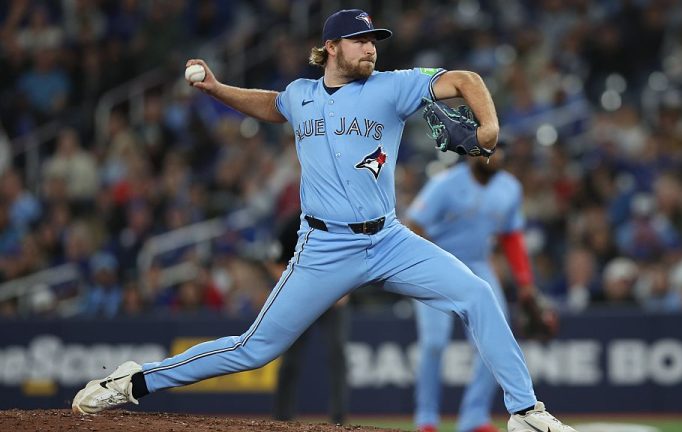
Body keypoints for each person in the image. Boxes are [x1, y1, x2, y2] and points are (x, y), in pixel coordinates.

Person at [71, 9, 576, 432]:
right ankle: (133, 382)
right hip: (323, 248)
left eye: (375, 41)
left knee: (479, 295)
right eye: (360, 41)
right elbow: (272, 106)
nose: (371, 49)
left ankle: (525, 411)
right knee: (254, 349)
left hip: (390, 241)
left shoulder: (393, 88)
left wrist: (488, 126)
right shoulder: (300, 94)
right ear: (331, 46)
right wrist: (219, 89)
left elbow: (466, 80)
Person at [406, 146, 544, 432]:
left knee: (494, 341)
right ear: (470, 154)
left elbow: (511, 235)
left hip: (478, 264)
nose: (494, 158)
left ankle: (473, 416)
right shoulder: (445, 183)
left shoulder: (509, 187)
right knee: (433, 344)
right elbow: (414, 225)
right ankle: (426, 419)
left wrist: (525, 281)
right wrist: (419, 267)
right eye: (486, 152)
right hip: (437, 261)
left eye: (499, 153)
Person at [266, 210, 348, 425]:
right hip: (300, 300)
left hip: (331, 298)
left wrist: (346, 289)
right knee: (290, 358)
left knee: (337, 355)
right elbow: (274, 260)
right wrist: (291, 286)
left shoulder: (339, 220)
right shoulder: (293, 222)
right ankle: (282, 417)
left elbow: (354, 260)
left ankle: (338, 418)